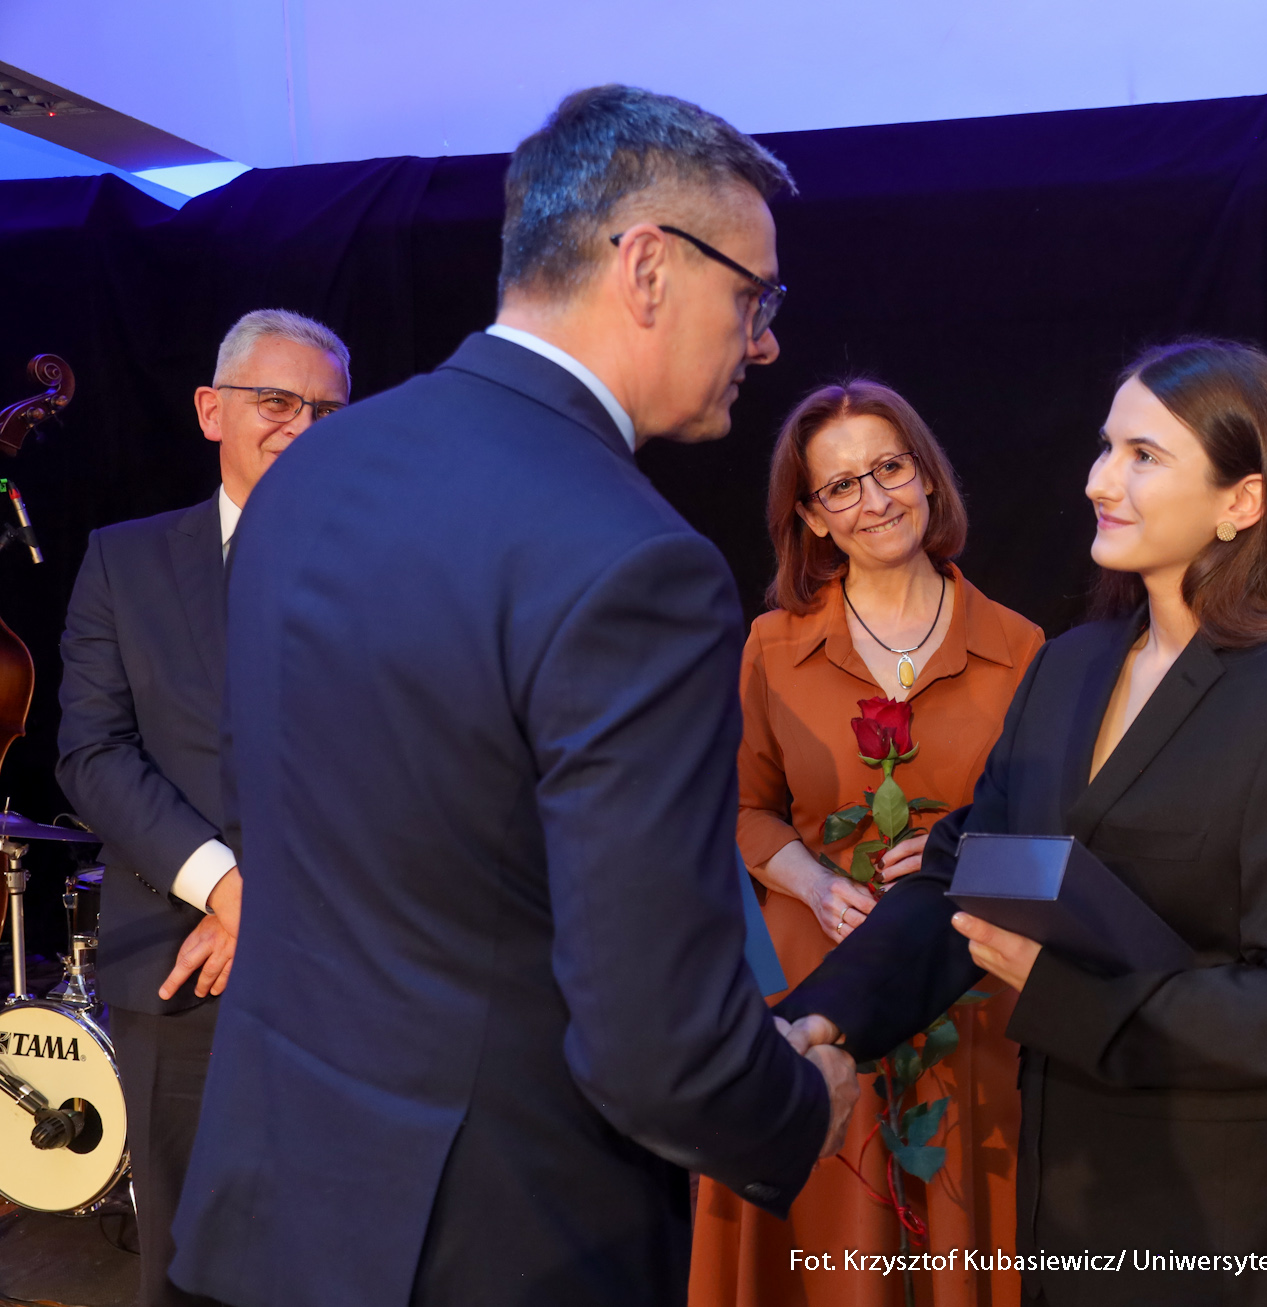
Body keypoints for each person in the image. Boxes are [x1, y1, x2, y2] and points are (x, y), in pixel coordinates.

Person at [169, 86, 858, 1307]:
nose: (763, 343)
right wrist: (798, 1102)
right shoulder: (635, 560)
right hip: (497, 1241)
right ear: (647, 266)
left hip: (270, 1207)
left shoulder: (309, 472)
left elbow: (279, 807)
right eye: (755, 297)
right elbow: (654, 1045)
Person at [779, 340, 1267, 1307]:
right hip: (1064, 1192)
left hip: (1222, 1216)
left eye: (1143, 455)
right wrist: (815, 1019)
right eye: (1107, 446)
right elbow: (959, 878)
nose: (1098, 480)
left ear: (1242, 501)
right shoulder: (1070, 664)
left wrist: (1064, 994)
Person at [691, 380, 1042, 1307]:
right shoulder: (771, 646)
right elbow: (738, 809)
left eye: (889, 467)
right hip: (813, 977)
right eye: (841, 486)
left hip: (963, 990)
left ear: (927, 477)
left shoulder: (1021, 647)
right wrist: (810, 880)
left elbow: (1053, 848)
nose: (874, 499)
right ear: (811, 516)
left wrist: (961, 857)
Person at [55, 308, 351, 1307]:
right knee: (188, 1268)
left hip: (349, 967)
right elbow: (92, 752)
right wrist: (228, 888)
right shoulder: (124, 561)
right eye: (277, 401)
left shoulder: (392, 565)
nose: (302, 426)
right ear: (210, 410)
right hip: (182, 973)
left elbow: (405, 758)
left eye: (327, 410)